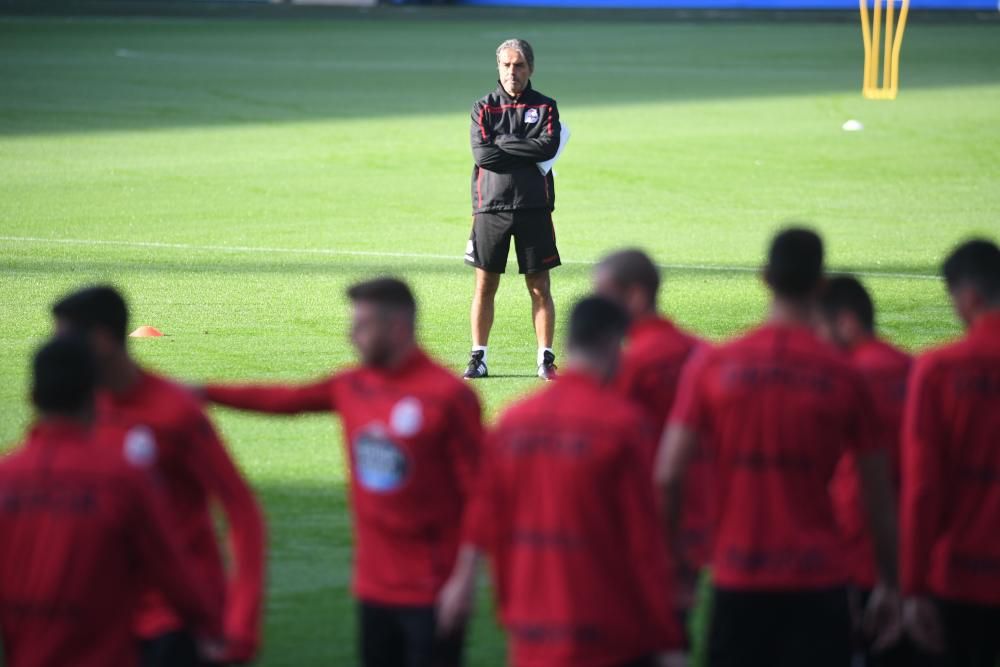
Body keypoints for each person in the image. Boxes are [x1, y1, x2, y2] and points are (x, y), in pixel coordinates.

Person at [197, 278, 483, 667]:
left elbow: (484, 497)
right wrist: (204, 391)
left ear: (398, 328)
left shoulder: (449, 396)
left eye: (362, 325)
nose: (351, 335)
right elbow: (287, 399)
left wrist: (463, 583)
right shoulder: (353, 384)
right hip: (373, 588)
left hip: (432, 590)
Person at [656, 228, 900, 667]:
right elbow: (877, 494)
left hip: (738, 573)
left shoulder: (714, 364)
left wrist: (672, 564)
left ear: (764, 277)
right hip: (819, 577)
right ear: (821, 284)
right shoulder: (844, 375)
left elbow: (669, 474)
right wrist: (890, 582)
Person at [438, 296, 687, 667]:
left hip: (531, 628)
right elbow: (644, 542)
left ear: (569, 344)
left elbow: (482, 511)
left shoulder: (512, 421)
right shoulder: (625, 426)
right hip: (607, 630)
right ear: (615, 345)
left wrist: (463, 579)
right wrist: (668, 634)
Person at [51, 286, 266, 666]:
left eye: (65, 341)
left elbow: (243, 513)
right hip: (104, 615)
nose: (55, 353)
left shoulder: (174, 412)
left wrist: (241, 625)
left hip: (177, 624)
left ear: (101, 341)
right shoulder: (77, 412)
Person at [0, 337, 223, 667]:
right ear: (95, 396)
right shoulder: (124, 480)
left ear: (32, 397)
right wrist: (210, 626)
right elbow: (172, 568)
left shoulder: (6, 478)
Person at [593, 248, 712, 615]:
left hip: (642, 523)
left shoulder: (627, 367)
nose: (597, 312)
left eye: (604, 298)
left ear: (636, 296)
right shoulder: (705, 354)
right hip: (702, 519)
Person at [900, 239, 1000, 667]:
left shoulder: (940, 369)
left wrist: (911, 585)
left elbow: (923, 487)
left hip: (960, 576)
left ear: (969, 297)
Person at [817, 275, 913, 666]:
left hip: (856, 554)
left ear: (846, 323)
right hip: (915, 551)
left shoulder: (843, 380)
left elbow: (850, 482)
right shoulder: (914, 367)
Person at [463, 38, 562, 381]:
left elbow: (548, 144)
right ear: (498, 68)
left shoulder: (546, 107)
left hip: (534, 207)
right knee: (485, 286)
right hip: (490, 207)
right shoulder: (483, 108)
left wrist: (502, 143)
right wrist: (525, 148)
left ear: (530, 68)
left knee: (539, 287)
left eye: (518, 65)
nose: (512, 72)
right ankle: (479, 357)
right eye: (505, 65)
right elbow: (483, 156)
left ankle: (545, 359)